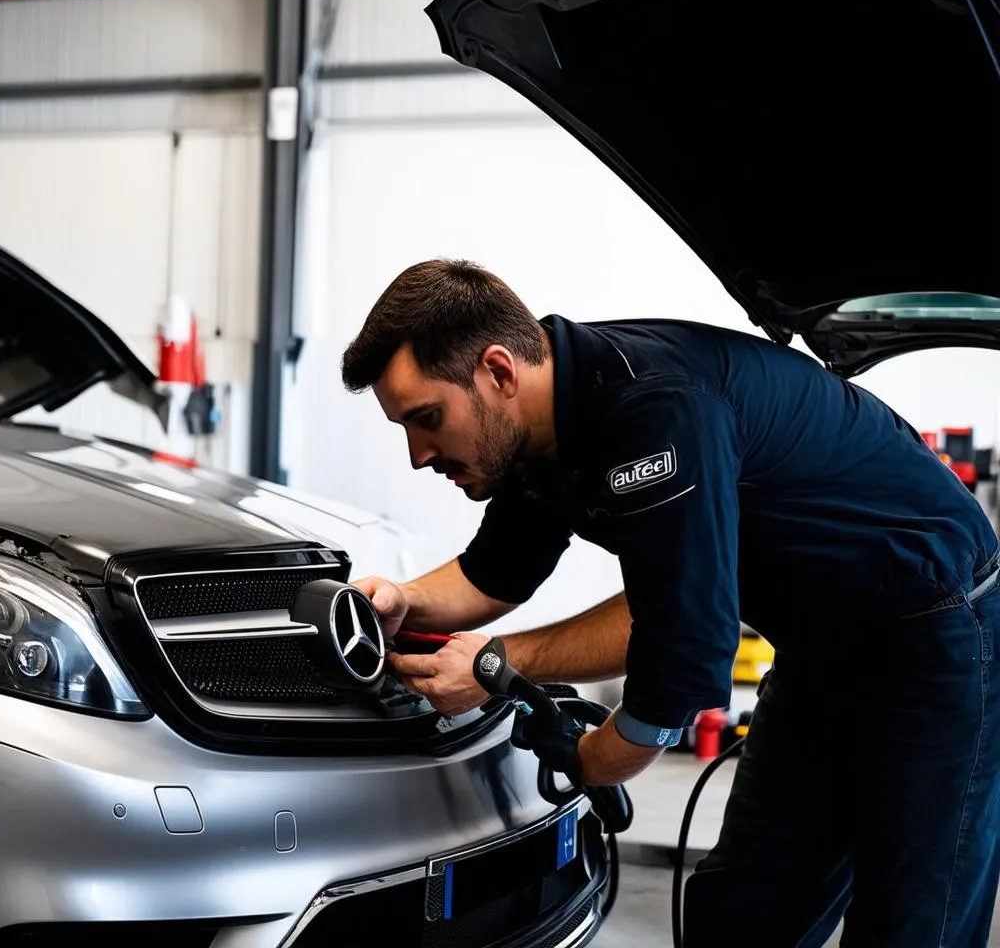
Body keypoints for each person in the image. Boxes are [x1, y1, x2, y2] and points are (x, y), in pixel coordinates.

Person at [340, 258, 1000, 948]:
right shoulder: (535, 434)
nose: (418, 453)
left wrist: (507, 677)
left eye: (427, 418)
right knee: (743, 916)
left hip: (936, 631)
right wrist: (402, 599)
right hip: (822, 646)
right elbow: (494, 575)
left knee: (917, 920)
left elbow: (684, 640)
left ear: (500, 372)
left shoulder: (654, 409)